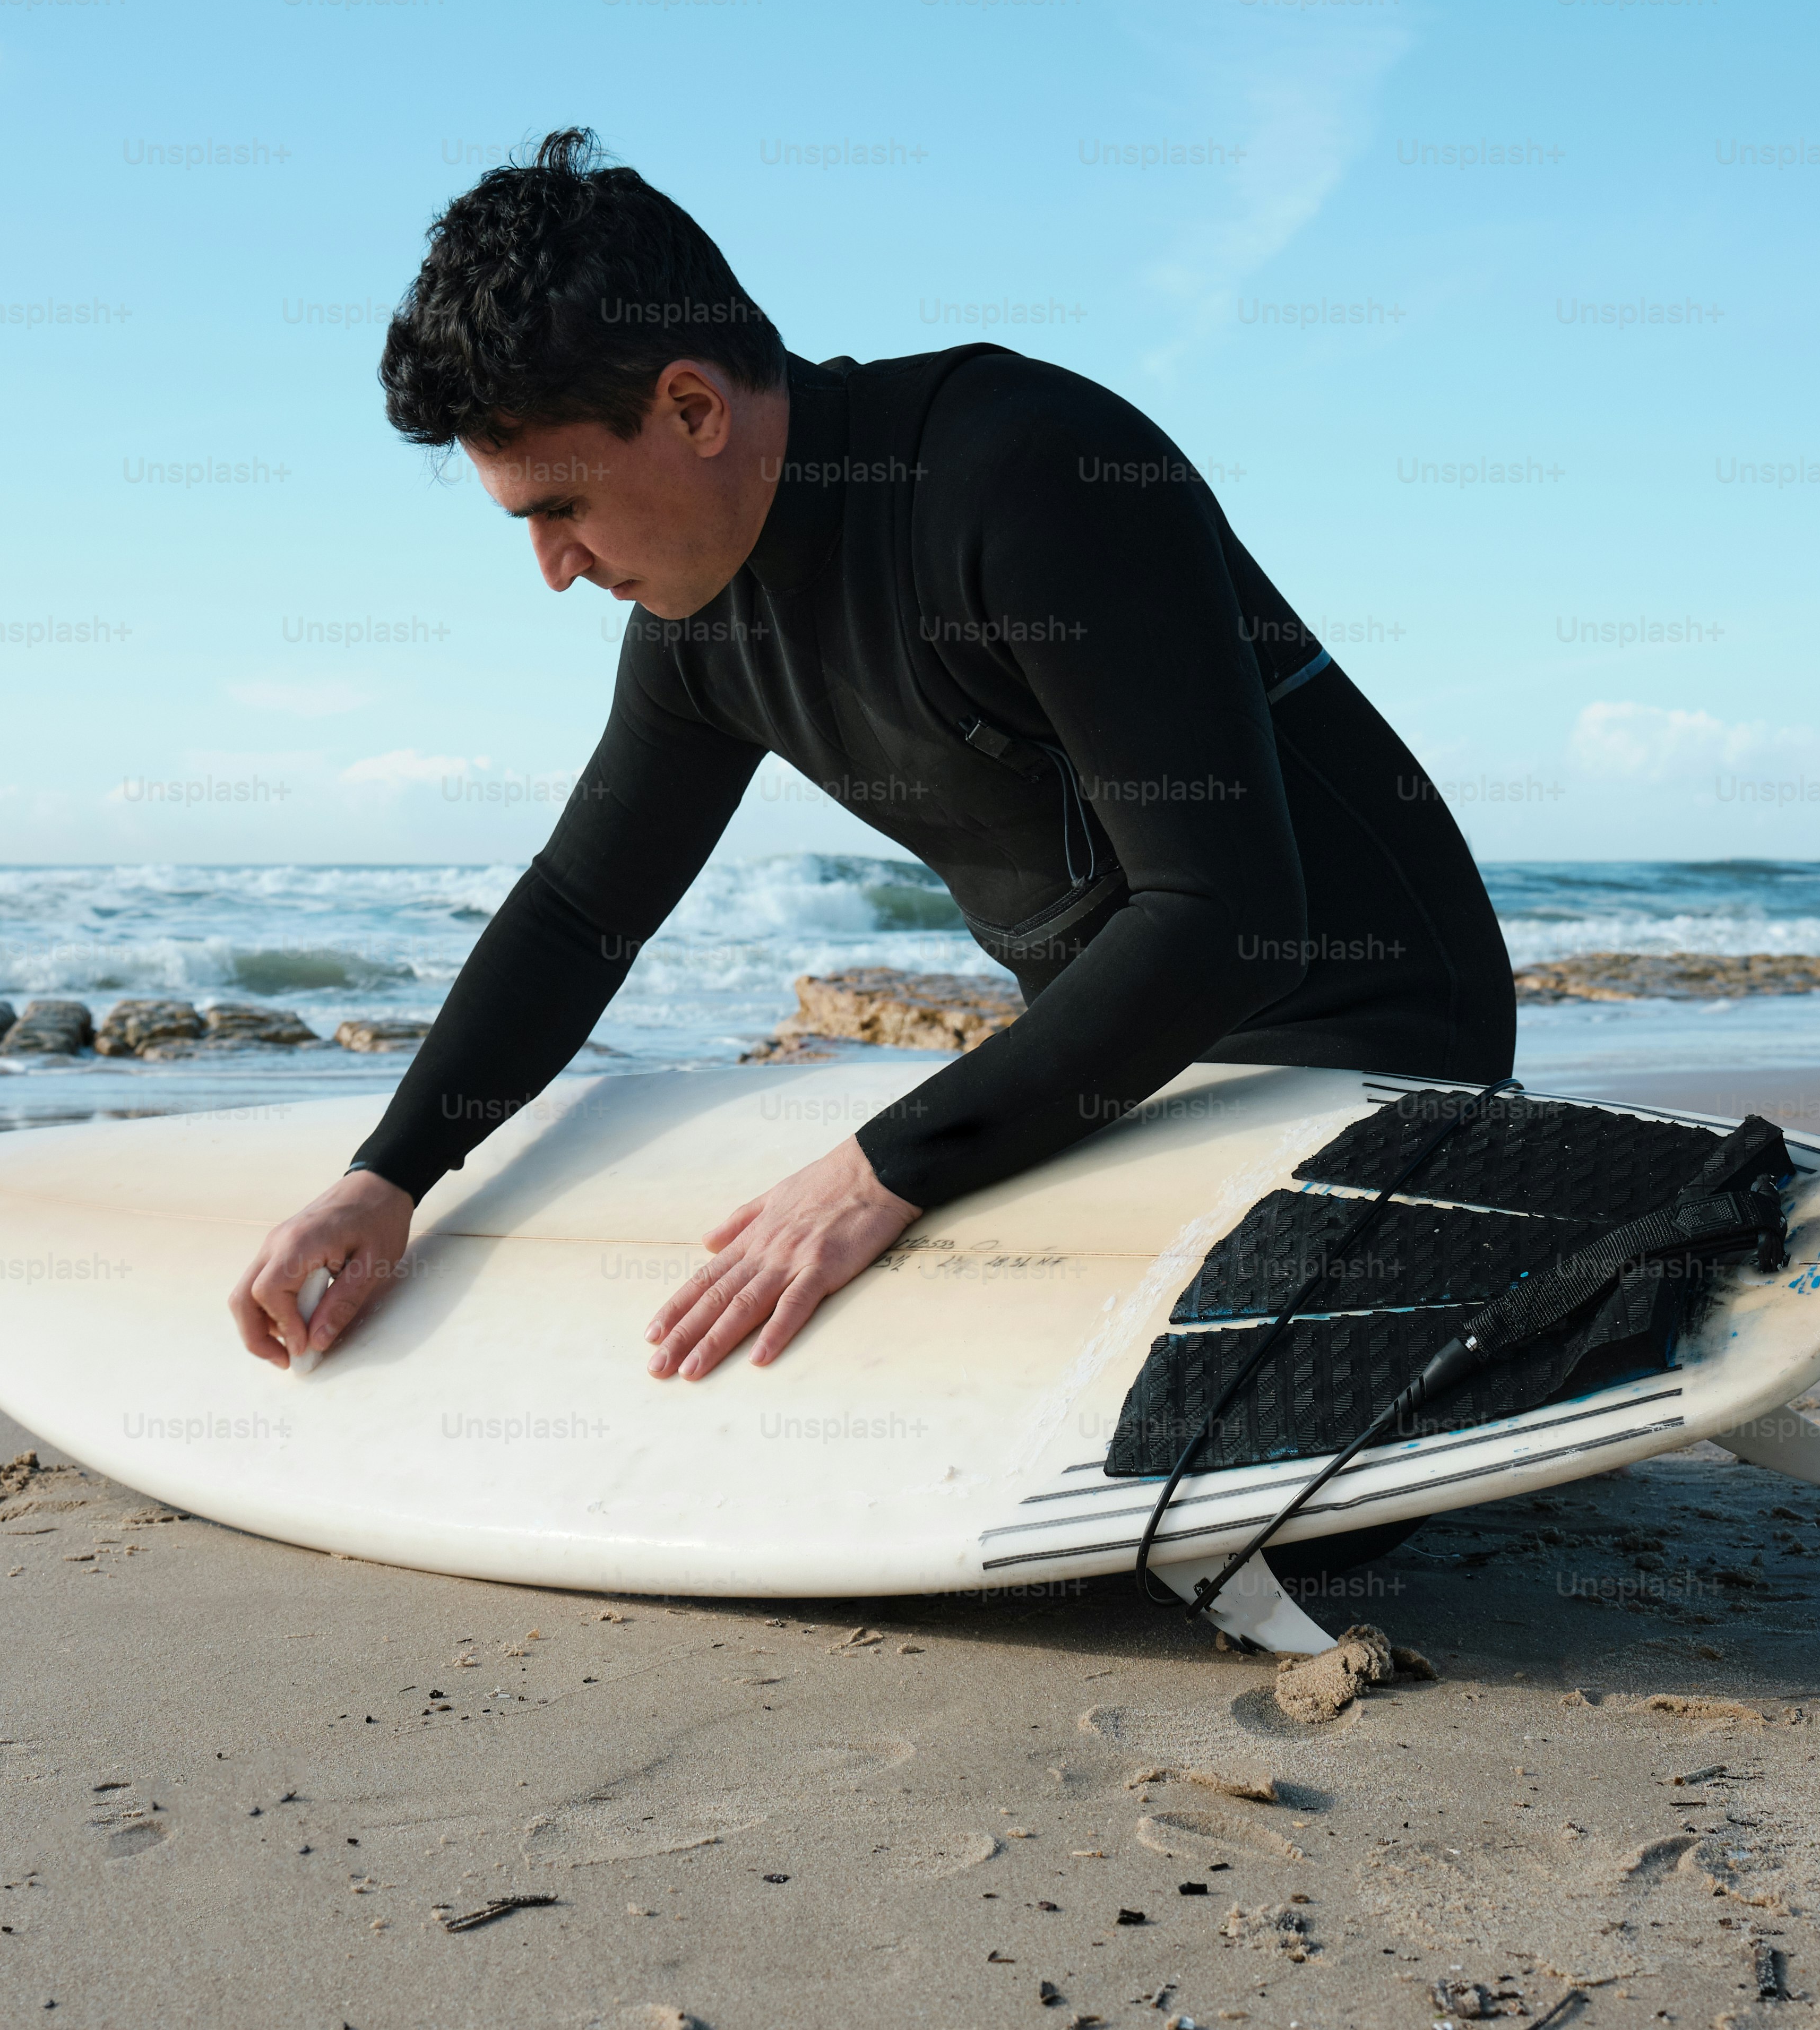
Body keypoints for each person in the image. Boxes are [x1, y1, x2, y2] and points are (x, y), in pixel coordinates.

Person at [229, 128, 1512, 1383]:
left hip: (1370, 1053)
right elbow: (580, 910)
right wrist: (389, 1173)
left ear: (690, 406)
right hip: (1129, 1078)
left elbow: (1229, 917)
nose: (555, 569)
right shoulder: (698, 624)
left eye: (560, 506)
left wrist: (884, 1164)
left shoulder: (1025, 473)